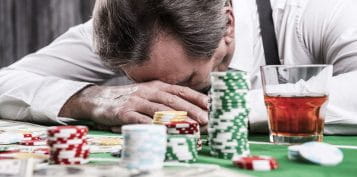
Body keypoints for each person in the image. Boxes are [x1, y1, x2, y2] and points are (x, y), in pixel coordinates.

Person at [1, 0, 357, 134]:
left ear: (227, 26)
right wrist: (90, 98)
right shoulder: (120, 31)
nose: (164, 102)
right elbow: (6, 82)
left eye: (185, 80)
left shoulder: (317, 11)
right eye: (140, 83)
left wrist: (223, 111)